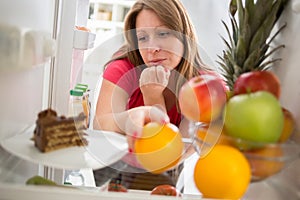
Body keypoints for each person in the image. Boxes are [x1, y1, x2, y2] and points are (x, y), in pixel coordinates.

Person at [93, 0, 210, 190]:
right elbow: (100, 125)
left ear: (183, 35)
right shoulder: (122, 68)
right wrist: (130, 117)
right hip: (115, 177)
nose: (152, 48)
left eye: (162, 34)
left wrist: (152, 96)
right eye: (143, 38)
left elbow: (168, 156)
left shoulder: (202, 84)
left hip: (167, 182)